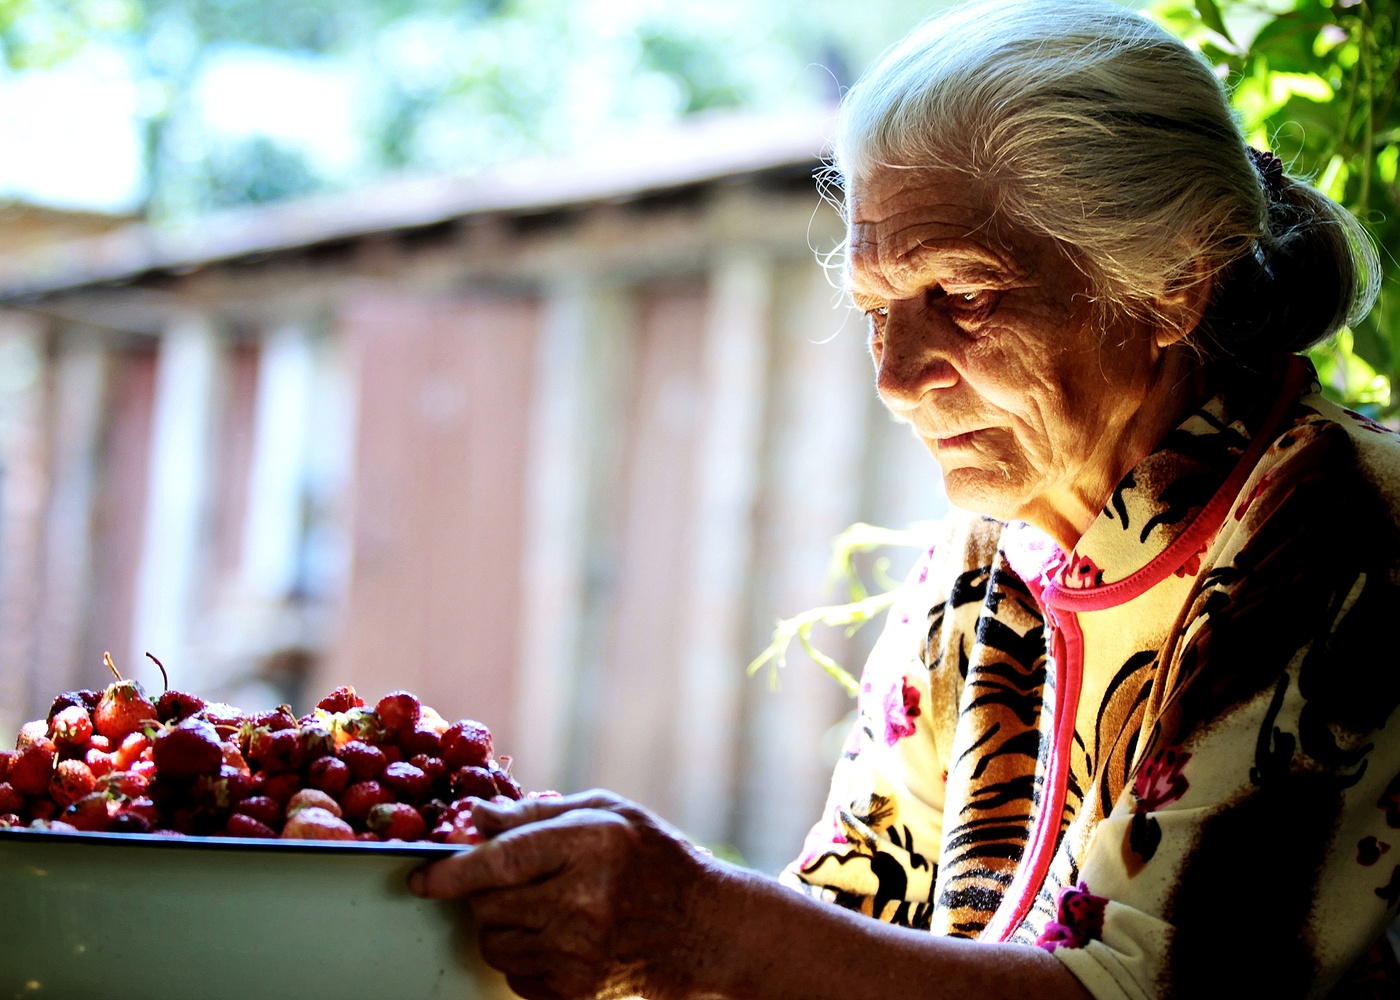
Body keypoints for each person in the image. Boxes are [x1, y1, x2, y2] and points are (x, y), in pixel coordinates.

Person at [410, 1, 1400, 996]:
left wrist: (704, 927)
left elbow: (1145, 987)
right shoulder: (992, 554)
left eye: (960, 297)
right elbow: (849, 916)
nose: (893, 377)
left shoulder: (1339, 524)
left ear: (1173, 283)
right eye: (876, 307)